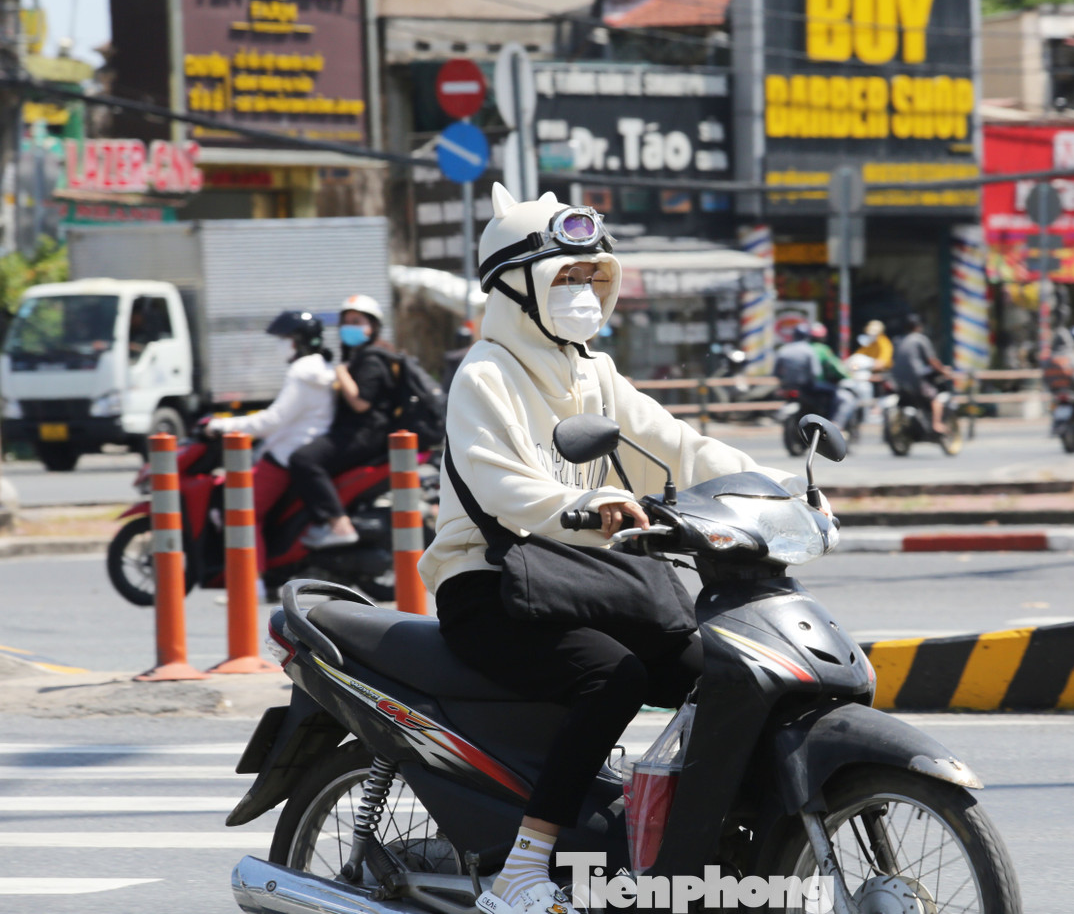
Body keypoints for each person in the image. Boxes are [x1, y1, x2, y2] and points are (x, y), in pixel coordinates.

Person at [420, 185, 806, 914]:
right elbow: (500, 484)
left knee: (721, 669)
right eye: (564, 276)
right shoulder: (485, 373)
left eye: (592, 275)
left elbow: (674, 444)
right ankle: (522, 869)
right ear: (515, 286)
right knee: (613, 676)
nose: (583, 291)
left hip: (574, 575)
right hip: (488, 582)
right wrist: (584, 505)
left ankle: (692, 841)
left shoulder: (590, 370)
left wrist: (774, 486)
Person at [206, 310, 335, 572]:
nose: (280, 345)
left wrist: (224, 425)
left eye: (284, 339)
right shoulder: (322, 370)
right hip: (303, 447)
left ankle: (253, 583)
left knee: (242, 512)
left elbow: (272, 421)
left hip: (285, 455)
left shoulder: (301, 373)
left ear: (297, 342)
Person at [289, 294, 398, 549]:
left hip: (364, 435)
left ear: (373, 326)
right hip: (355, 432)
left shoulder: (372, 358)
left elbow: (361, 402)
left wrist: (340, 372)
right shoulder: (358, 356)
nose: (349, 327)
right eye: (346, 322)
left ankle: (339, 525)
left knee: (304, 460)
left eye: (357, 321)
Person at [891, 313, 955, 434]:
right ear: (918, 326)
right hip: (916, 380)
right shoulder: (920, 339)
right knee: (935, 398)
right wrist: (944, 371)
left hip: (896, 381)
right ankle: (937, 424)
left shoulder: (897, 340)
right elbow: (932, 361)